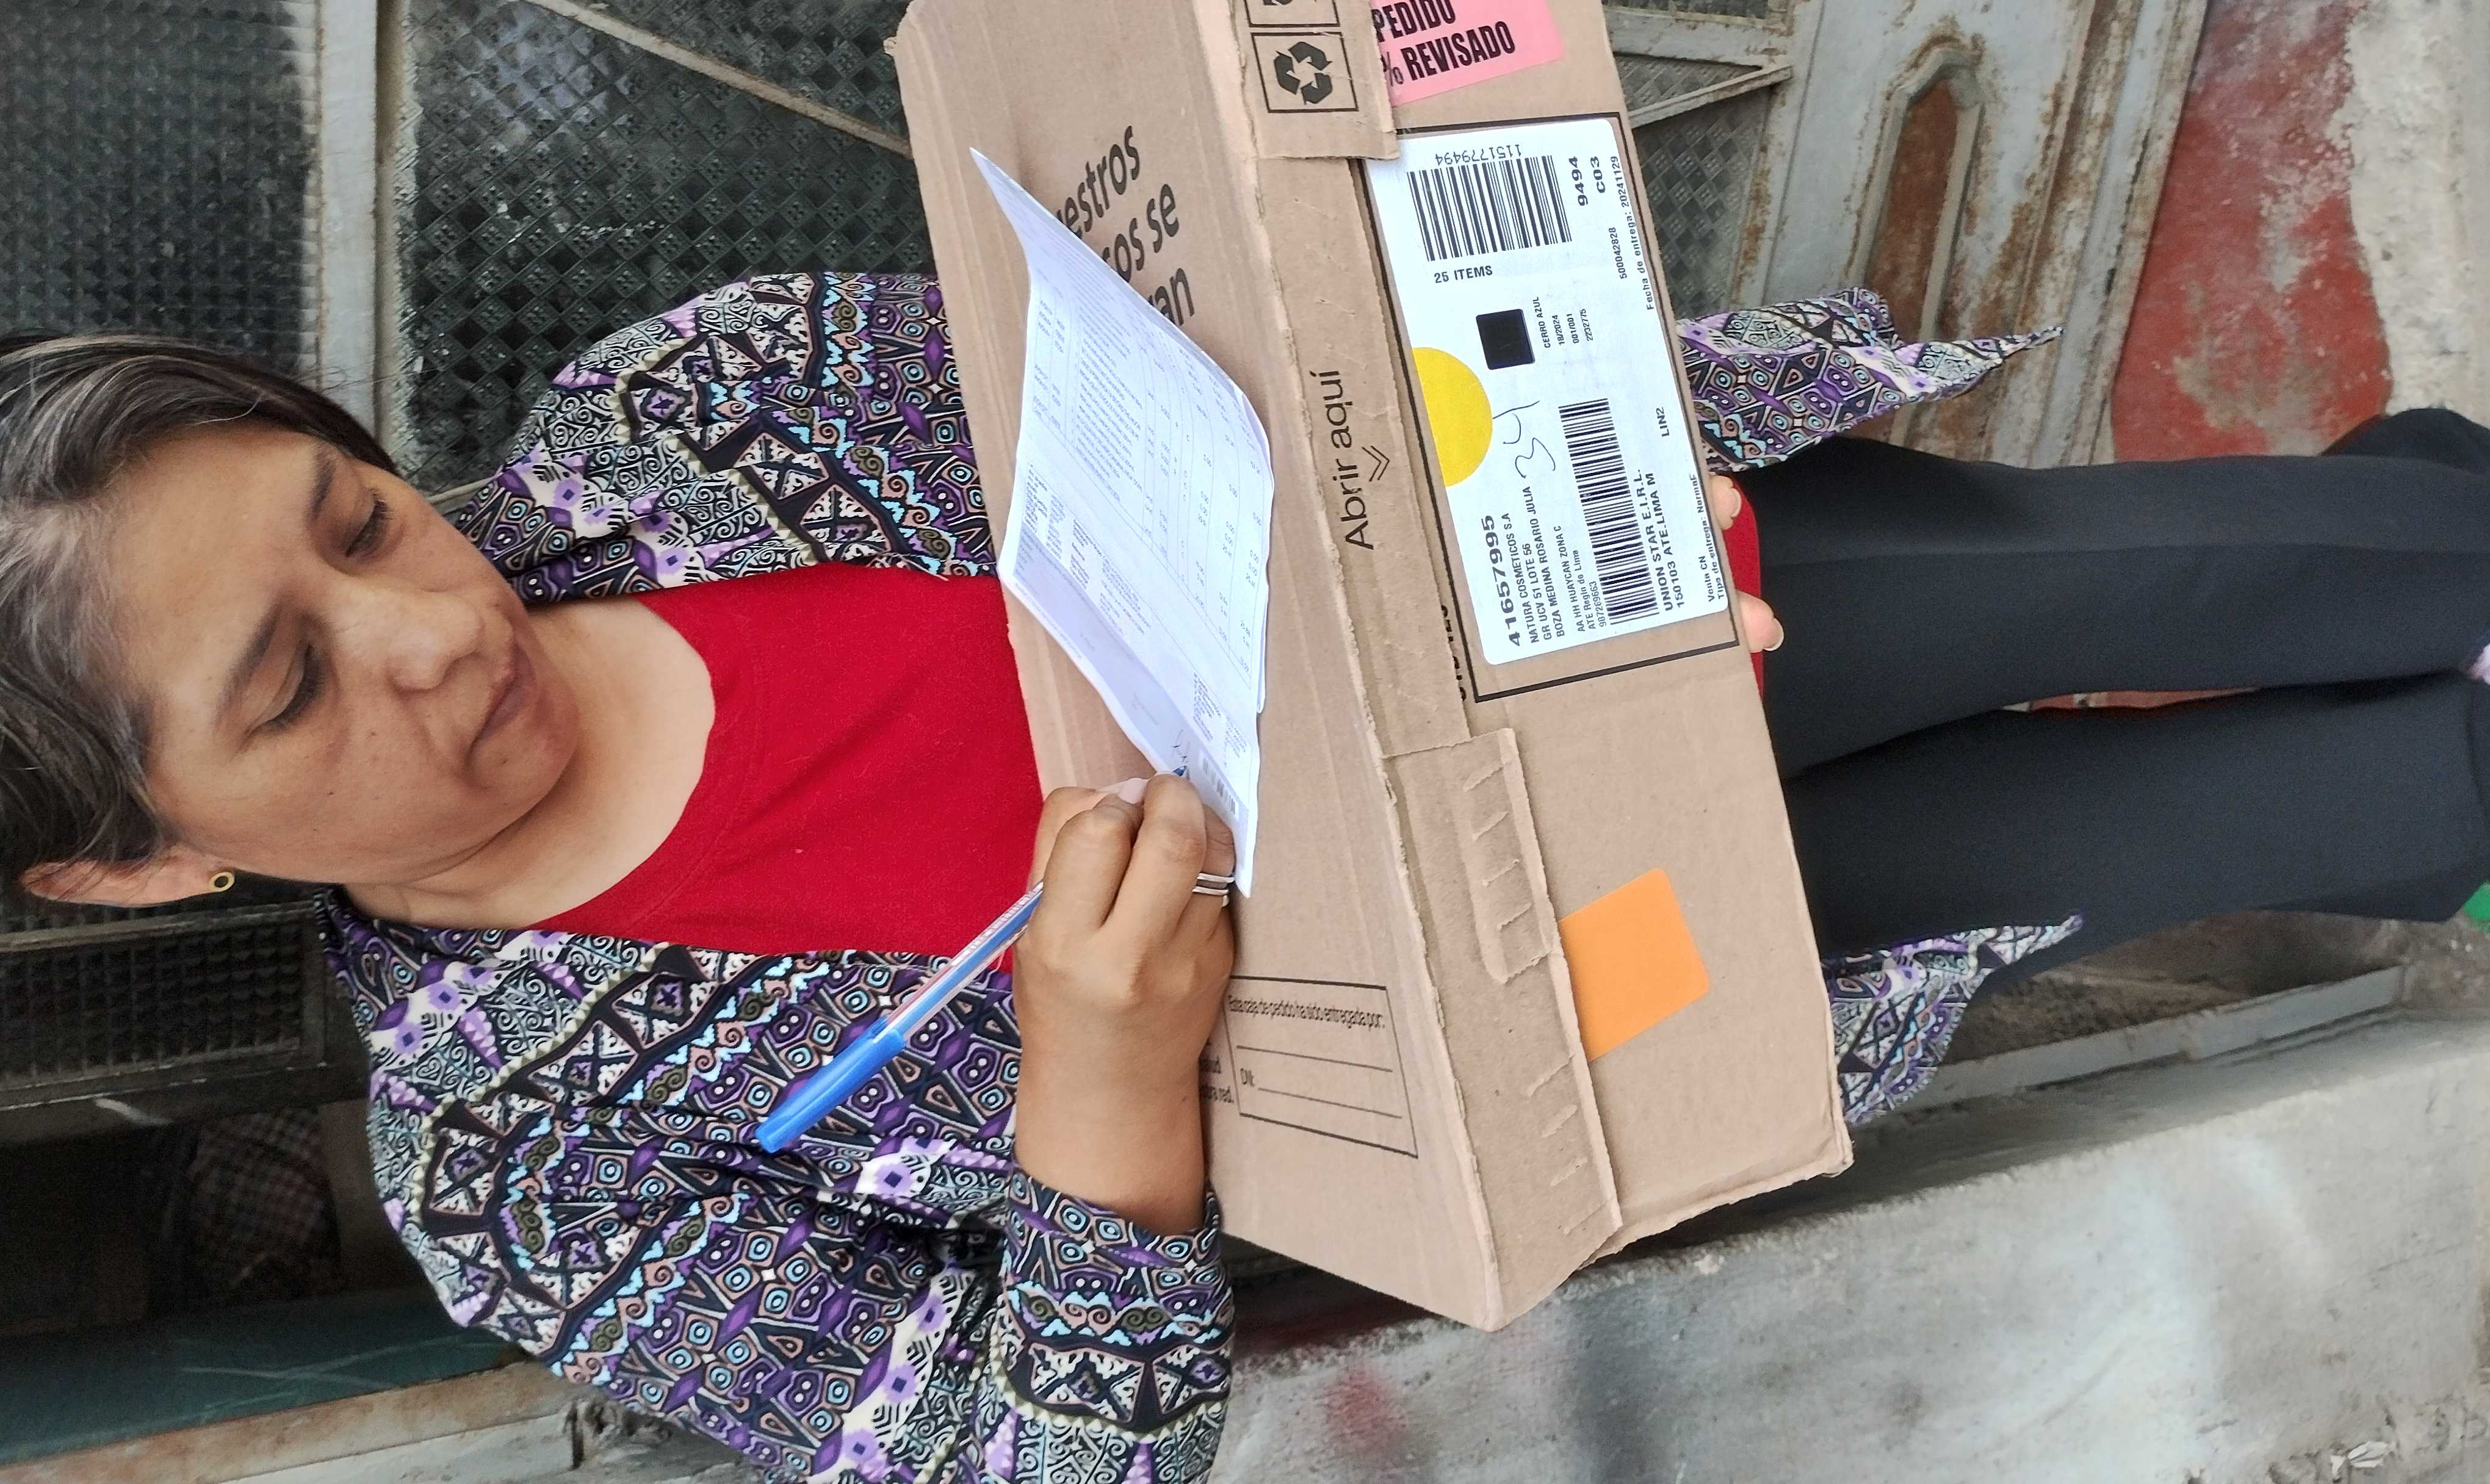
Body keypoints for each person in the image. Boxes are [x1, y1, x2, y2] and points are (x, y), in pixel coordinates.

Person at [3, 272, 2483, 1480]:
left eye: (360, 517)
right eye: (291, 690)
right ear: (131, 868)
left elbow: (1232, 335)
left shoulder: (693, 418)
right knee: (2305, 821)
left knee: (2210, 570)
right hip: (1620, 953)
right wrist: (1102, 1123)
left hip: (1641, 591)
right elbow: (1038, 1461)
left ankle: (2425, 526)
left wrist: (1572, 461)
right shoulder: (537, 1170)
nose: (436, 632)